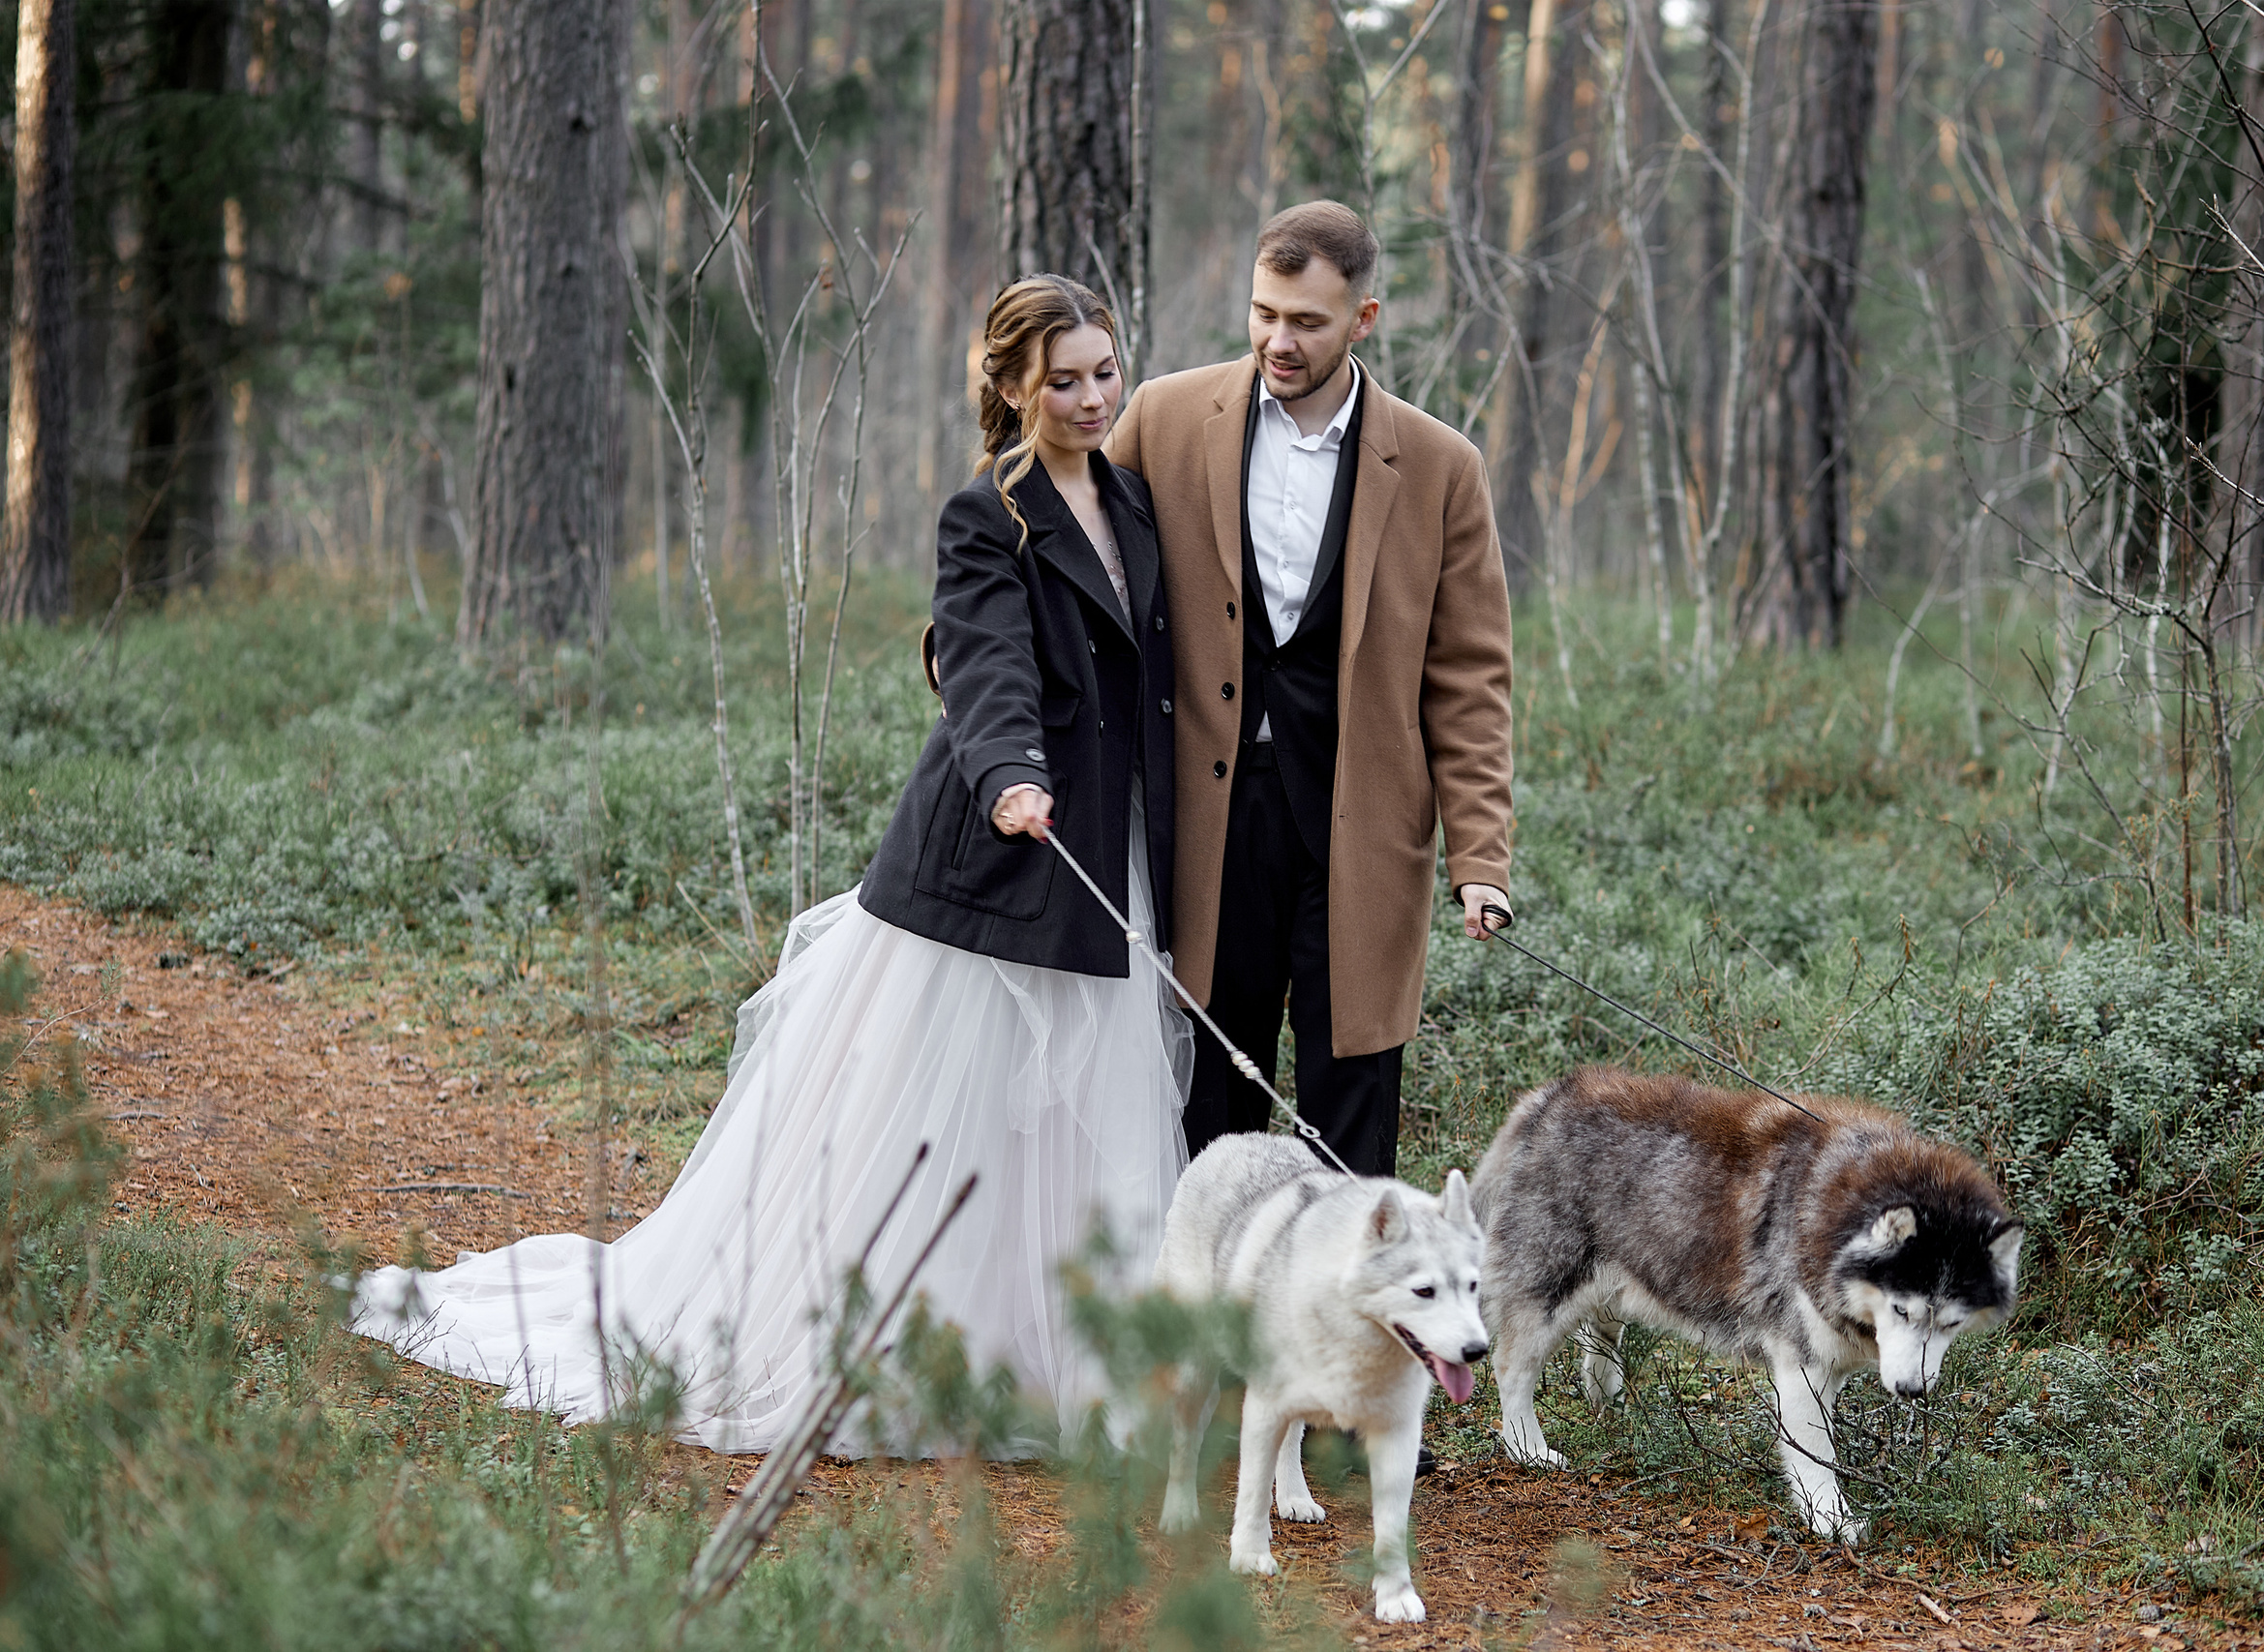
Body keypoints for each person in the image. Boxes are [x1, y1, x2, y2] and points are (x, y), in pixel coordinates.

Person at [351, 275, 1189, 1456]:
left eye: (1106, 371)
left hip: (1112, 850)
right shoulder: (981, 515)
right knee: (944, 1117)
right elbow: (985, 659)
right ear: (1010, 387)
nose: (1093, 396)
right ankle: (898, 1347)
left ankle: (1056, 1353)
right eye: (1064, 379)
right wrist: (1009, 771)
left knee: (1063, 1120)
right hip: (995, 863)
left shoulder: (1136, 502)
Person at [1105, 199, 1515, 1183]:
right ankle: (1214, 1317)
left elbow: (1470, 678)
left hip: (1364, 825)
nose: (1277, 341)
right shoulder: (1163, 417)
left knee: (1353, 1089)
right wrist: (971, 640)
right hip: (1210, 821)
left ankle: (1339, 1318)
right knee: (1211, 1083)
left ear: (1363, 320)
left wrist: (1481, 857)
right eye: (1263, 313)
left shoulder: (1440, 467)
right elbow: (1073, 551)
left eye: (1307, 322)